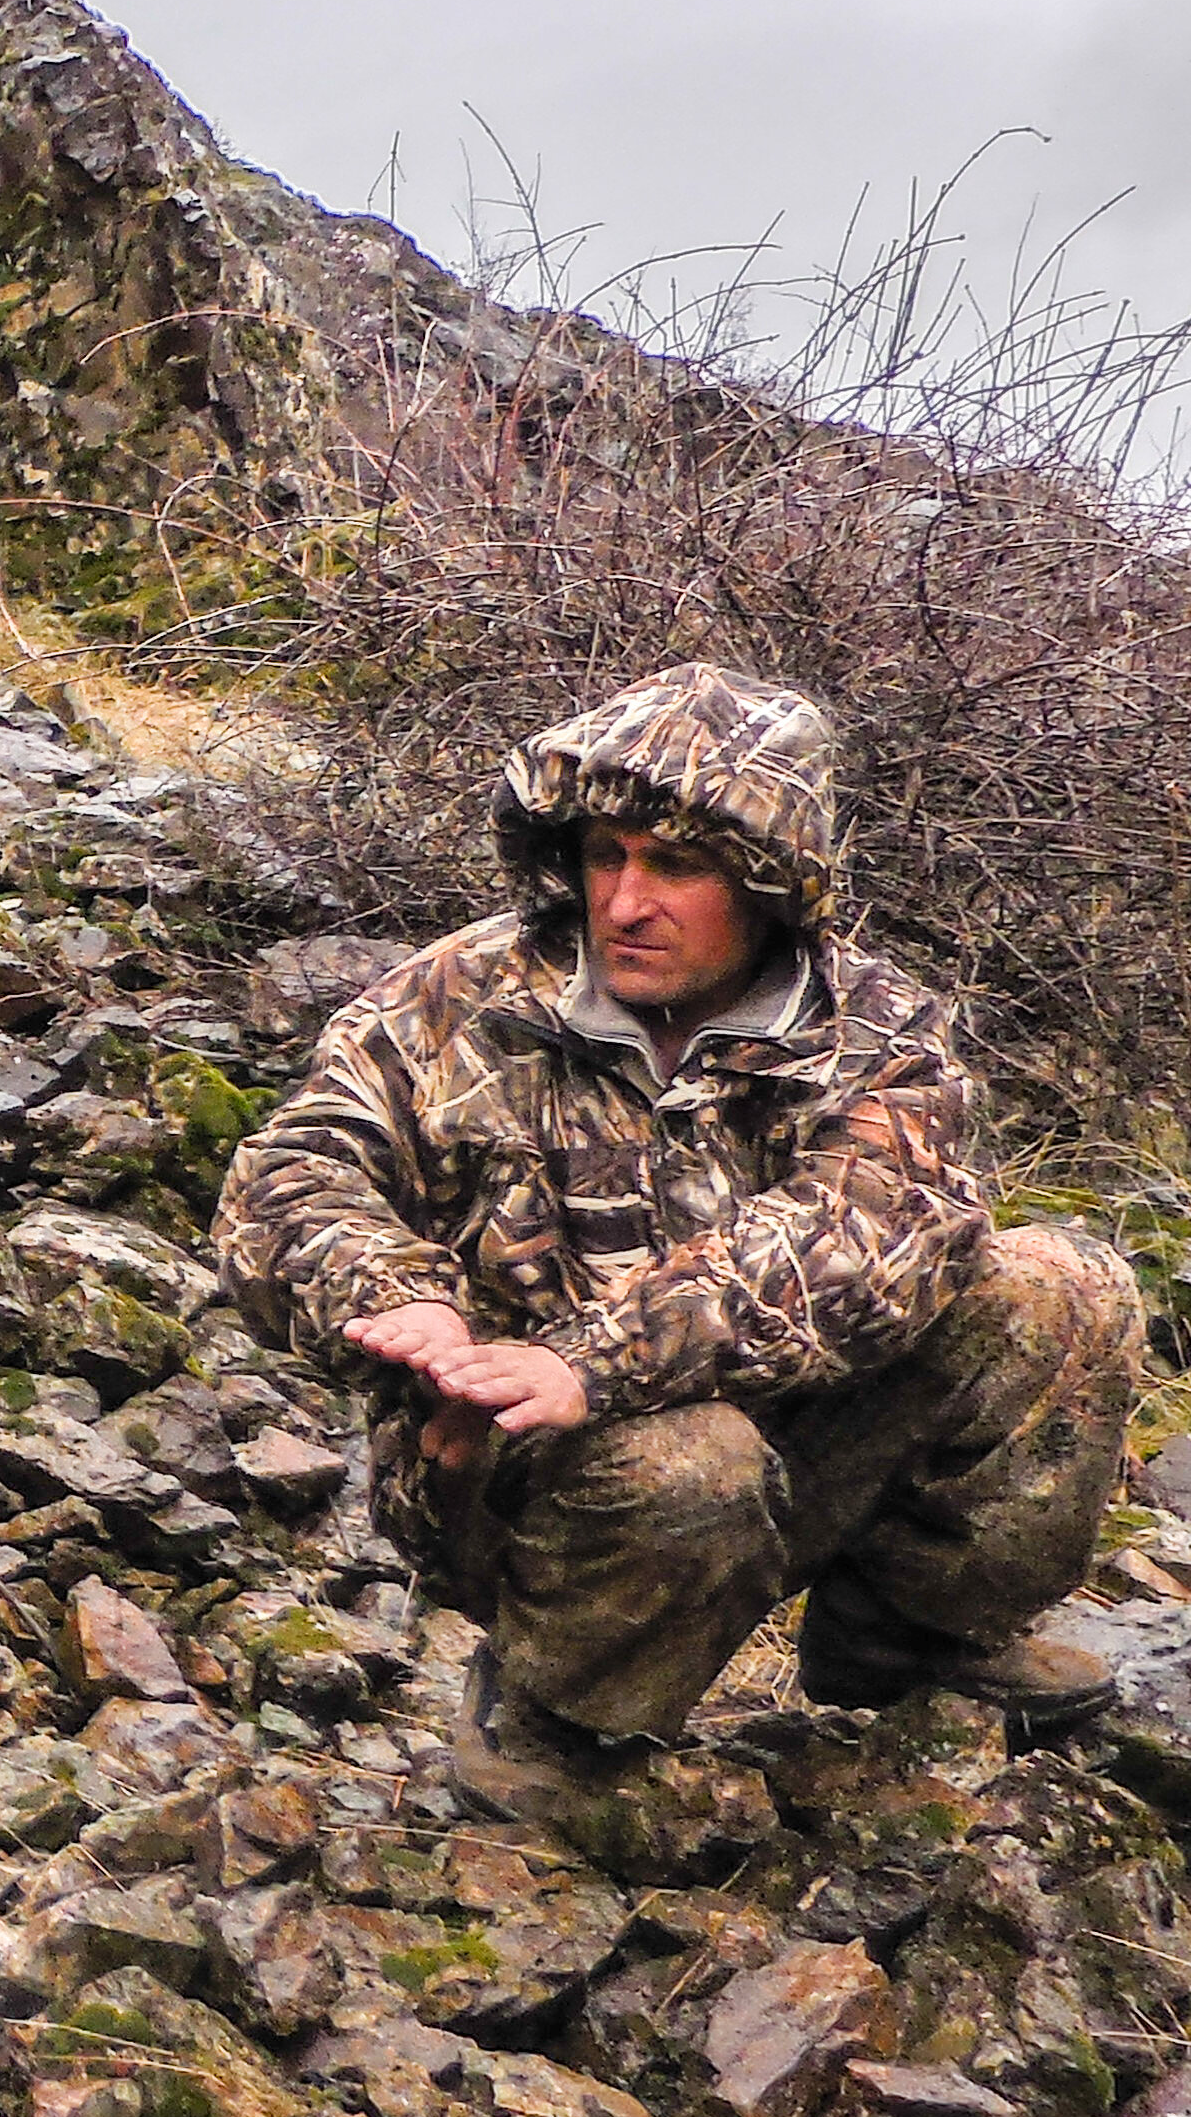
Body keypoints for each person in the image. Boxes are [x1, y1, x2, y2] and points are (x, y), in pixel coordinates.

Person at [210, 662, 1133, 1836]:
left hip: (777, 1422)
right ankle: (555, 1715)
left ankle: (909, 1644)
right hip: (515, 1470)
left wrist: (598, 1358)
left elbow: (872, 1235)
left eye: (676, 866)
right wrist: (407, 1303)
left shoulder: (882, 1033)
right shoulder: (459, 996)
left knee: (1061, 1291)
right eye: (607, 856)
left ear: (770, 887)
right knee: (688, 1461)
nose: (624, 901)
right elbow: (293, 1170)